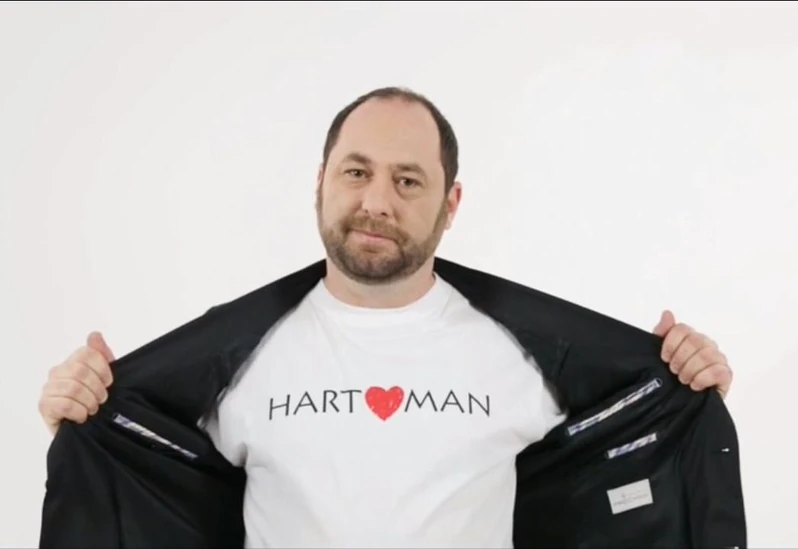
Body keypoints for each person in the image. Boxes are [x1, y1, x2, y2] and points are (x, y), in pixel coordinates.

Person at [37, 87, 735, 548]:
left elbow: (641, 441)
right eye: (356, 171)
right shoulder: (234, 355)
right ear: (320, 182)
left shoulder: (525, 352)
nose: (377, 201)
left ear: (450, 204)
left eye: (407, 180)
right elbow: (136, 470)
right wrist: (81, 411)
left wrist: (685, 383)